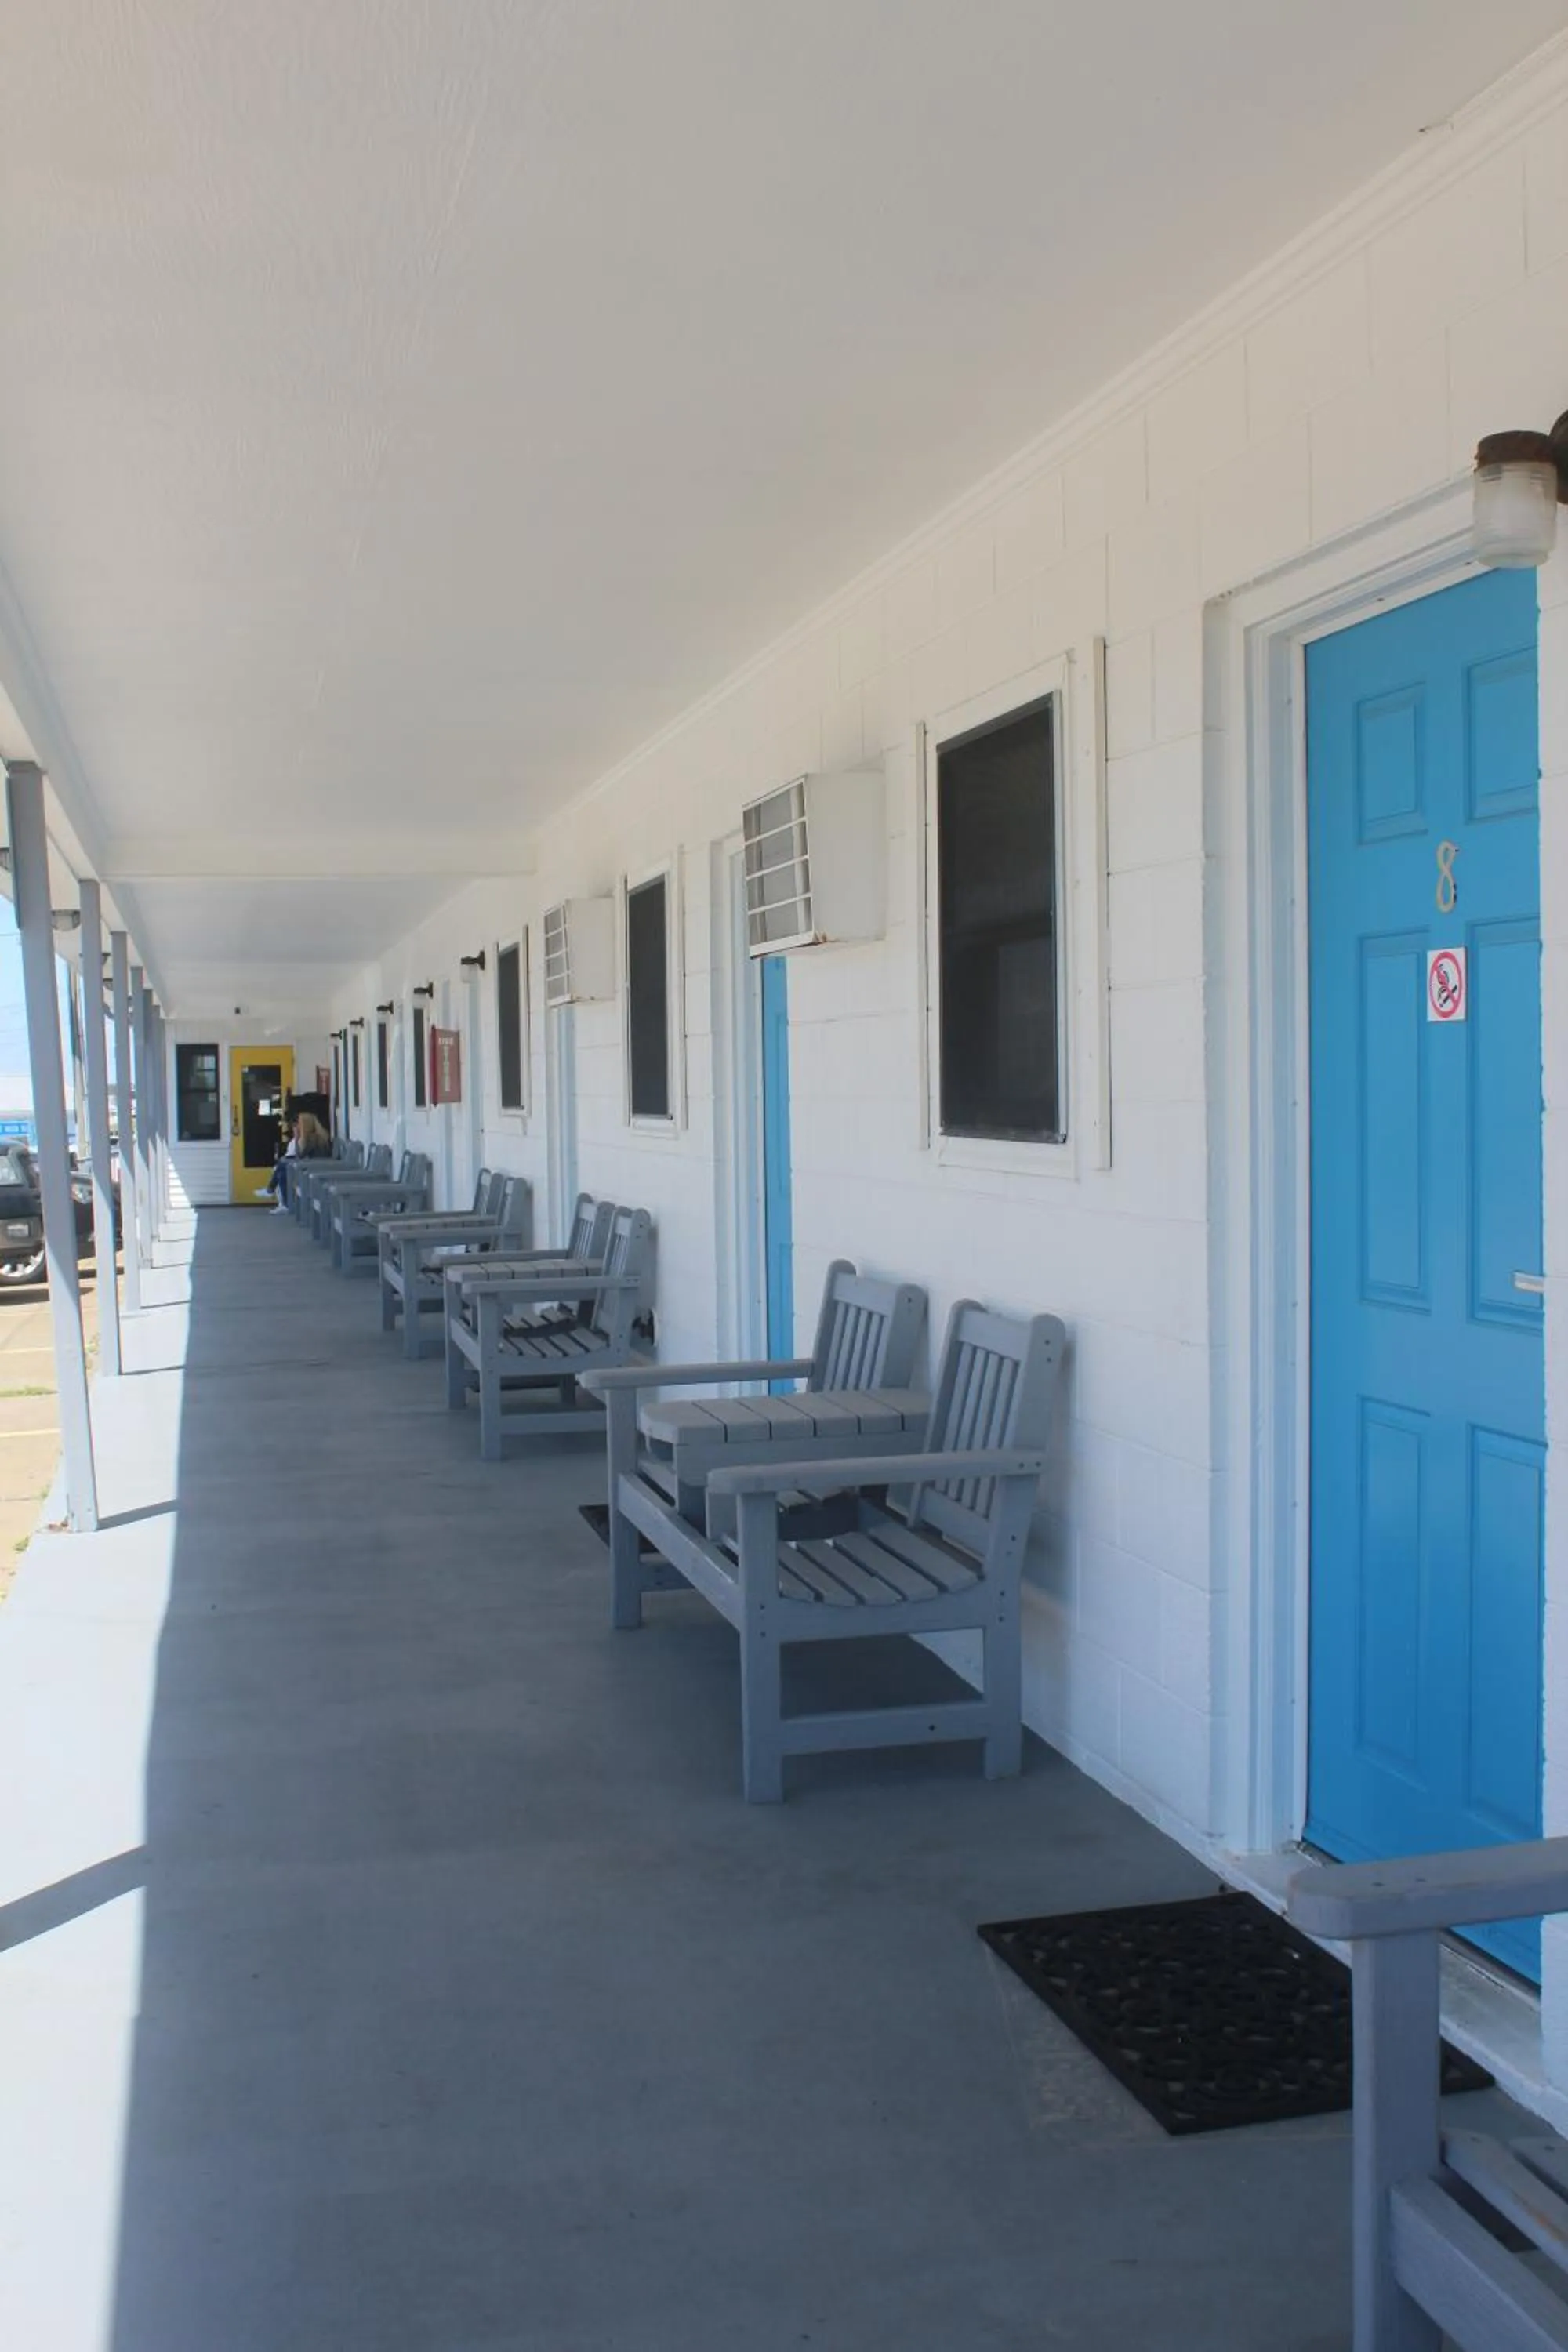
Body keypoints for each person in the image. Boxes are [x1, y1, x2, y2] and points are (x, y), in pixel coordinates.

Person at [257, 1109, 328, 1212]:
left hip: (313, 1170)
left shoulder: (312, 1139)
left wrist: (296, 1138)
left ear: (305, 1125)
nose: (296, 1126)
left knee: (282, 1164)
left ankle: (273, 1192)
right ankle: (283, 1202)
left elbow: (299, 1155)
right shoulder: (315, 1137)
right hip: (309, 1167)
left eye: (299, 1124)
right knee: (282, 1172)